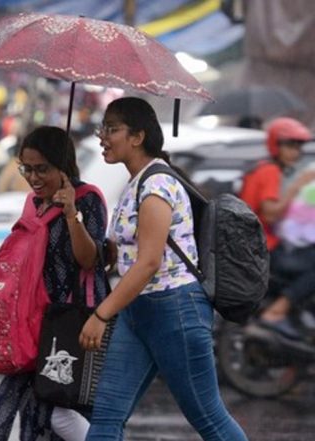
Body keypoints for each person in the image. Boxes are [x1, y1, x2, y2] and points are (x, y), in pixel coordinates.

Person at [79, 97, 248, 440]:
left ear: (137, 137)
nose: (102, 137)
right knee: (107, 415)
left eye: (112, 129)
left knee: (208, 418)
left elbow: (150, 262)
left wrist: (101, 314)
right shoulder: (136, 182)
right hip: (138, 310)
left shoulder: (156, 185)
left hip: (175, 310)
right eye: (103, 128)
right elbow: (128, 254)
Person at [0, 126, 109, 441]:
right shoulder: (34, 203)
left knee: (47, 405)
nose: (34, 177)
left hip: (70, 324)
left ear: (62, 165)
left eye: (42, 169)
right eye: (27, 168)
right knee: (38, 408)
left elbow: (89, 259)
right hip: (35, 320)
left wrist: (70, 214)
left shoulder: (87, 198)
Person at [238, 117, 315, 337]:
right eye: (290, 146)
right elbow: (270, 214)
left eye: (298, 146)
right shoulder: (270, 171)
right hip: (265, 250)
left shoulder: (261, 168)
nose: (295, 152)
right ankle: (278, 310)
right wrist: (298, 185)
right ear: (275, 145)